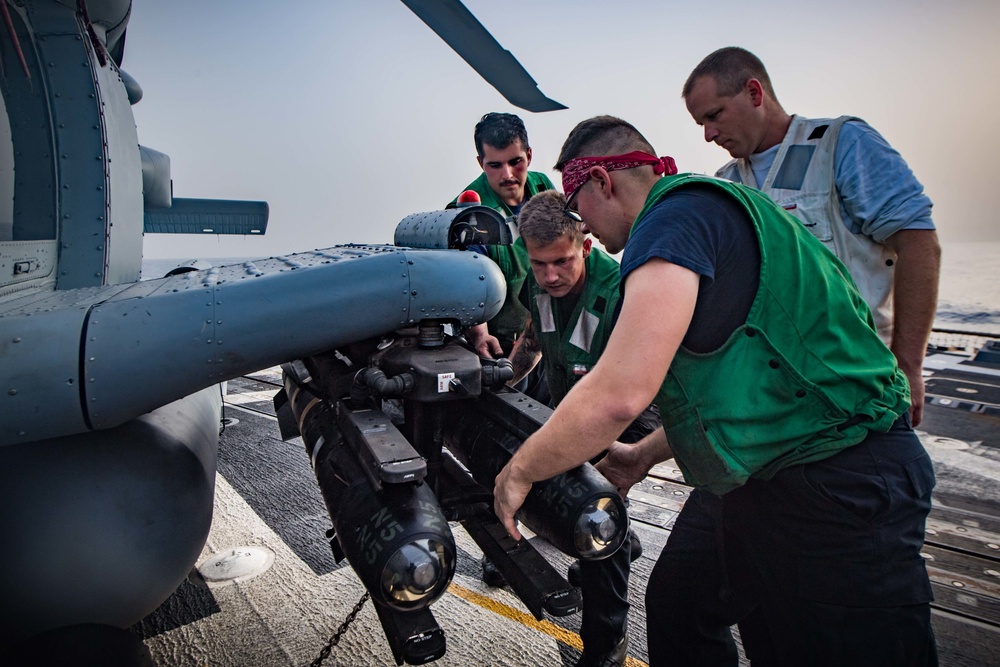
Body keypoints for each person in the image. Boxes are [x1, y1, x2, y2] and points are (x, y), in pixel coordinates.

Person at [492, 115, 937, 666]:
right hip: (760, 469)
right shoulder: (696, 223)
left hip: (841, 473)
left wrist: (520, 471)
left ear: (603, 182)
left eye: (580, 210)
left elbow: (620, 394)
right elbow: (731, 390)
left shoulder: (675, 217)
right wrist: (637, 457)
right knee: (683, 606)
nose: (586, 228)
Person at [682, 46, 941, 427]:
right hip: (768, 400)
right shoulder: (728, 183)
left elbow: (919, 245)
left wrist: (908, 366)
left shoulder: (838, 144)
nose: (708, 135)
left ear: (755, 93)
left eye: (714, 115)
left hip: (857, 391)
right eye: (700, 123)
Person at [507, 190, 659, 667]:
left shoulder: (623, 292)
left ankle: (607, 642)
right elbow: (534, 339)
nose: (550, 275)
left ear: (586, 246)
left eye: (562, 262)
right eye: (539, 264)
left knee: (595, 515)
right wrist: (499, 380)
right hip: (570, 400)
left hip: (628, 411)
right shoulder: (541, 285)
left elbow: (626, 395)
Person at [448, 112, 555, 365]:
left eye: (516, 161)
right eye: (495, 165)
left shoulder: (544, 188)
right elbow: (468, 282)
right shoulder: (468, 213)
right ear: (480, 163)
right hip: (498, 347)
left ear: (529, 155)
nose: (507, 174)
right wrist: (480, 335)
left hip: (546, 333)